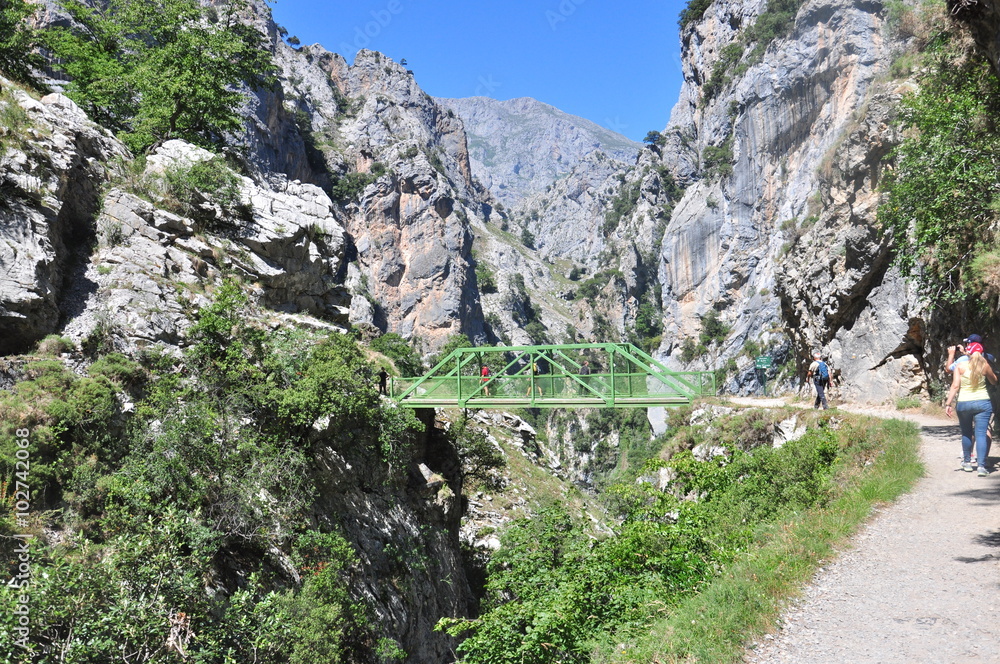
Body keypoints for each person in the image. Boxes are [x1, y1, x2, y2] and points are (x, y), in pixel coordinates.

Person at [945, 342, 997, 476]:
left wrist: (948, 403)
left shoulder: (960, 366)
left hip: (964, 403)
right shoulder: (984, 366)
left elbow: (955, 386)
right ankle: (981, 466)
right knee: (981, 434)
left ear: (968, 352)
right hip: (983, 403)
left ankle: (967, 462)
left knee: (966, 433)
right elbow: (994, 381)